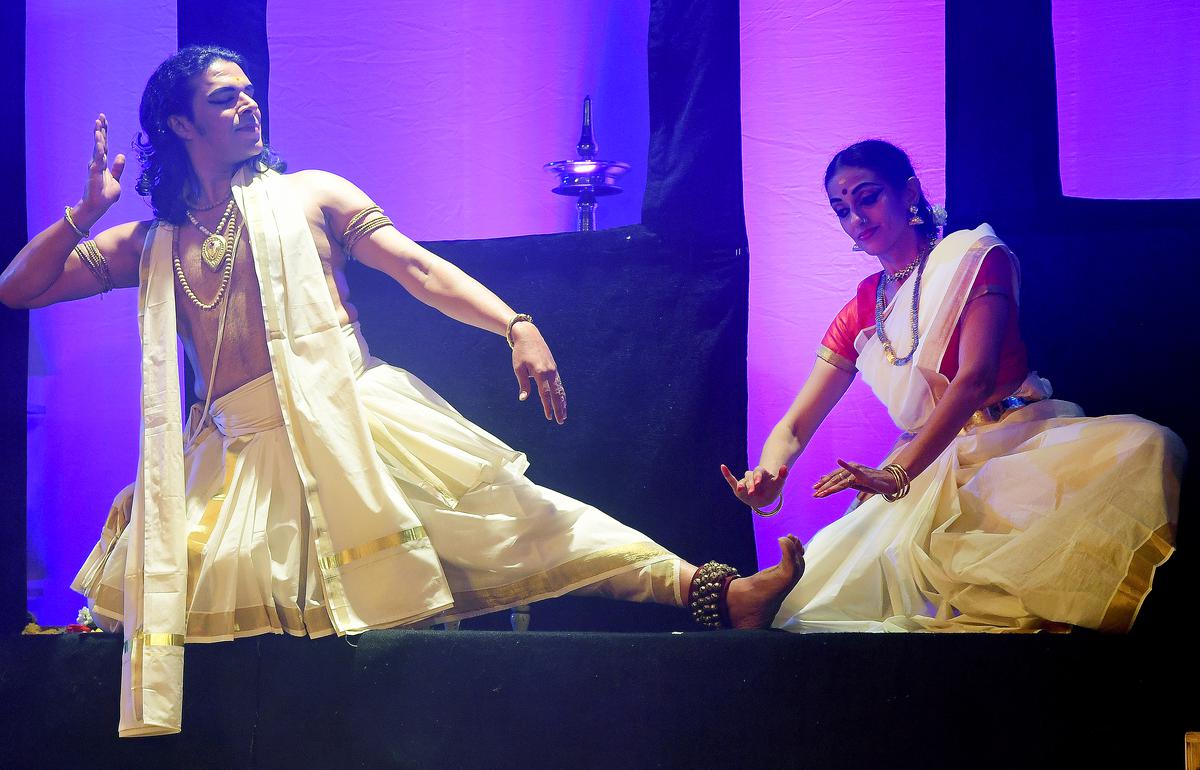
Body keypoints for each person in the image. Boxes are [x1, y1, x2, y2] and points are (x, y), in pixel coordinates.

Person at [0, 46, 803, 737]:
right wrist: (87, 210)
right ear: (180, 125)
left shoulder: (310, 193)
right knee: (198, 597)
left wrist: (513, 323)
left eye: (249, 92)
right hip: (234, 452)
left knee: (523, 523)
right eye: (224, 98)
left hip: (352, 415)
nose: (248, 105)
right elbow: (19, 289)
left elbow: (417, 269)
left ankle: (720, 592)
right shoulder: (150, 242)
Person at [721, 139, 1184, 634]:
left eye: (867, 196)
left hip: (1018, 441)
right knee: (817, 600)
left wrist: (896, 473)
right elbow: (793, 425)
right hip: (930, 467)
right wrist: (769, 476)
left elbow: (974, 380)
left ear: (910, 193)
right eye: (841, 209)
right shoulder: (861, 311)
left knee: (1150, 445)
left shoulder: (975, 257)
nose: (855, 216)